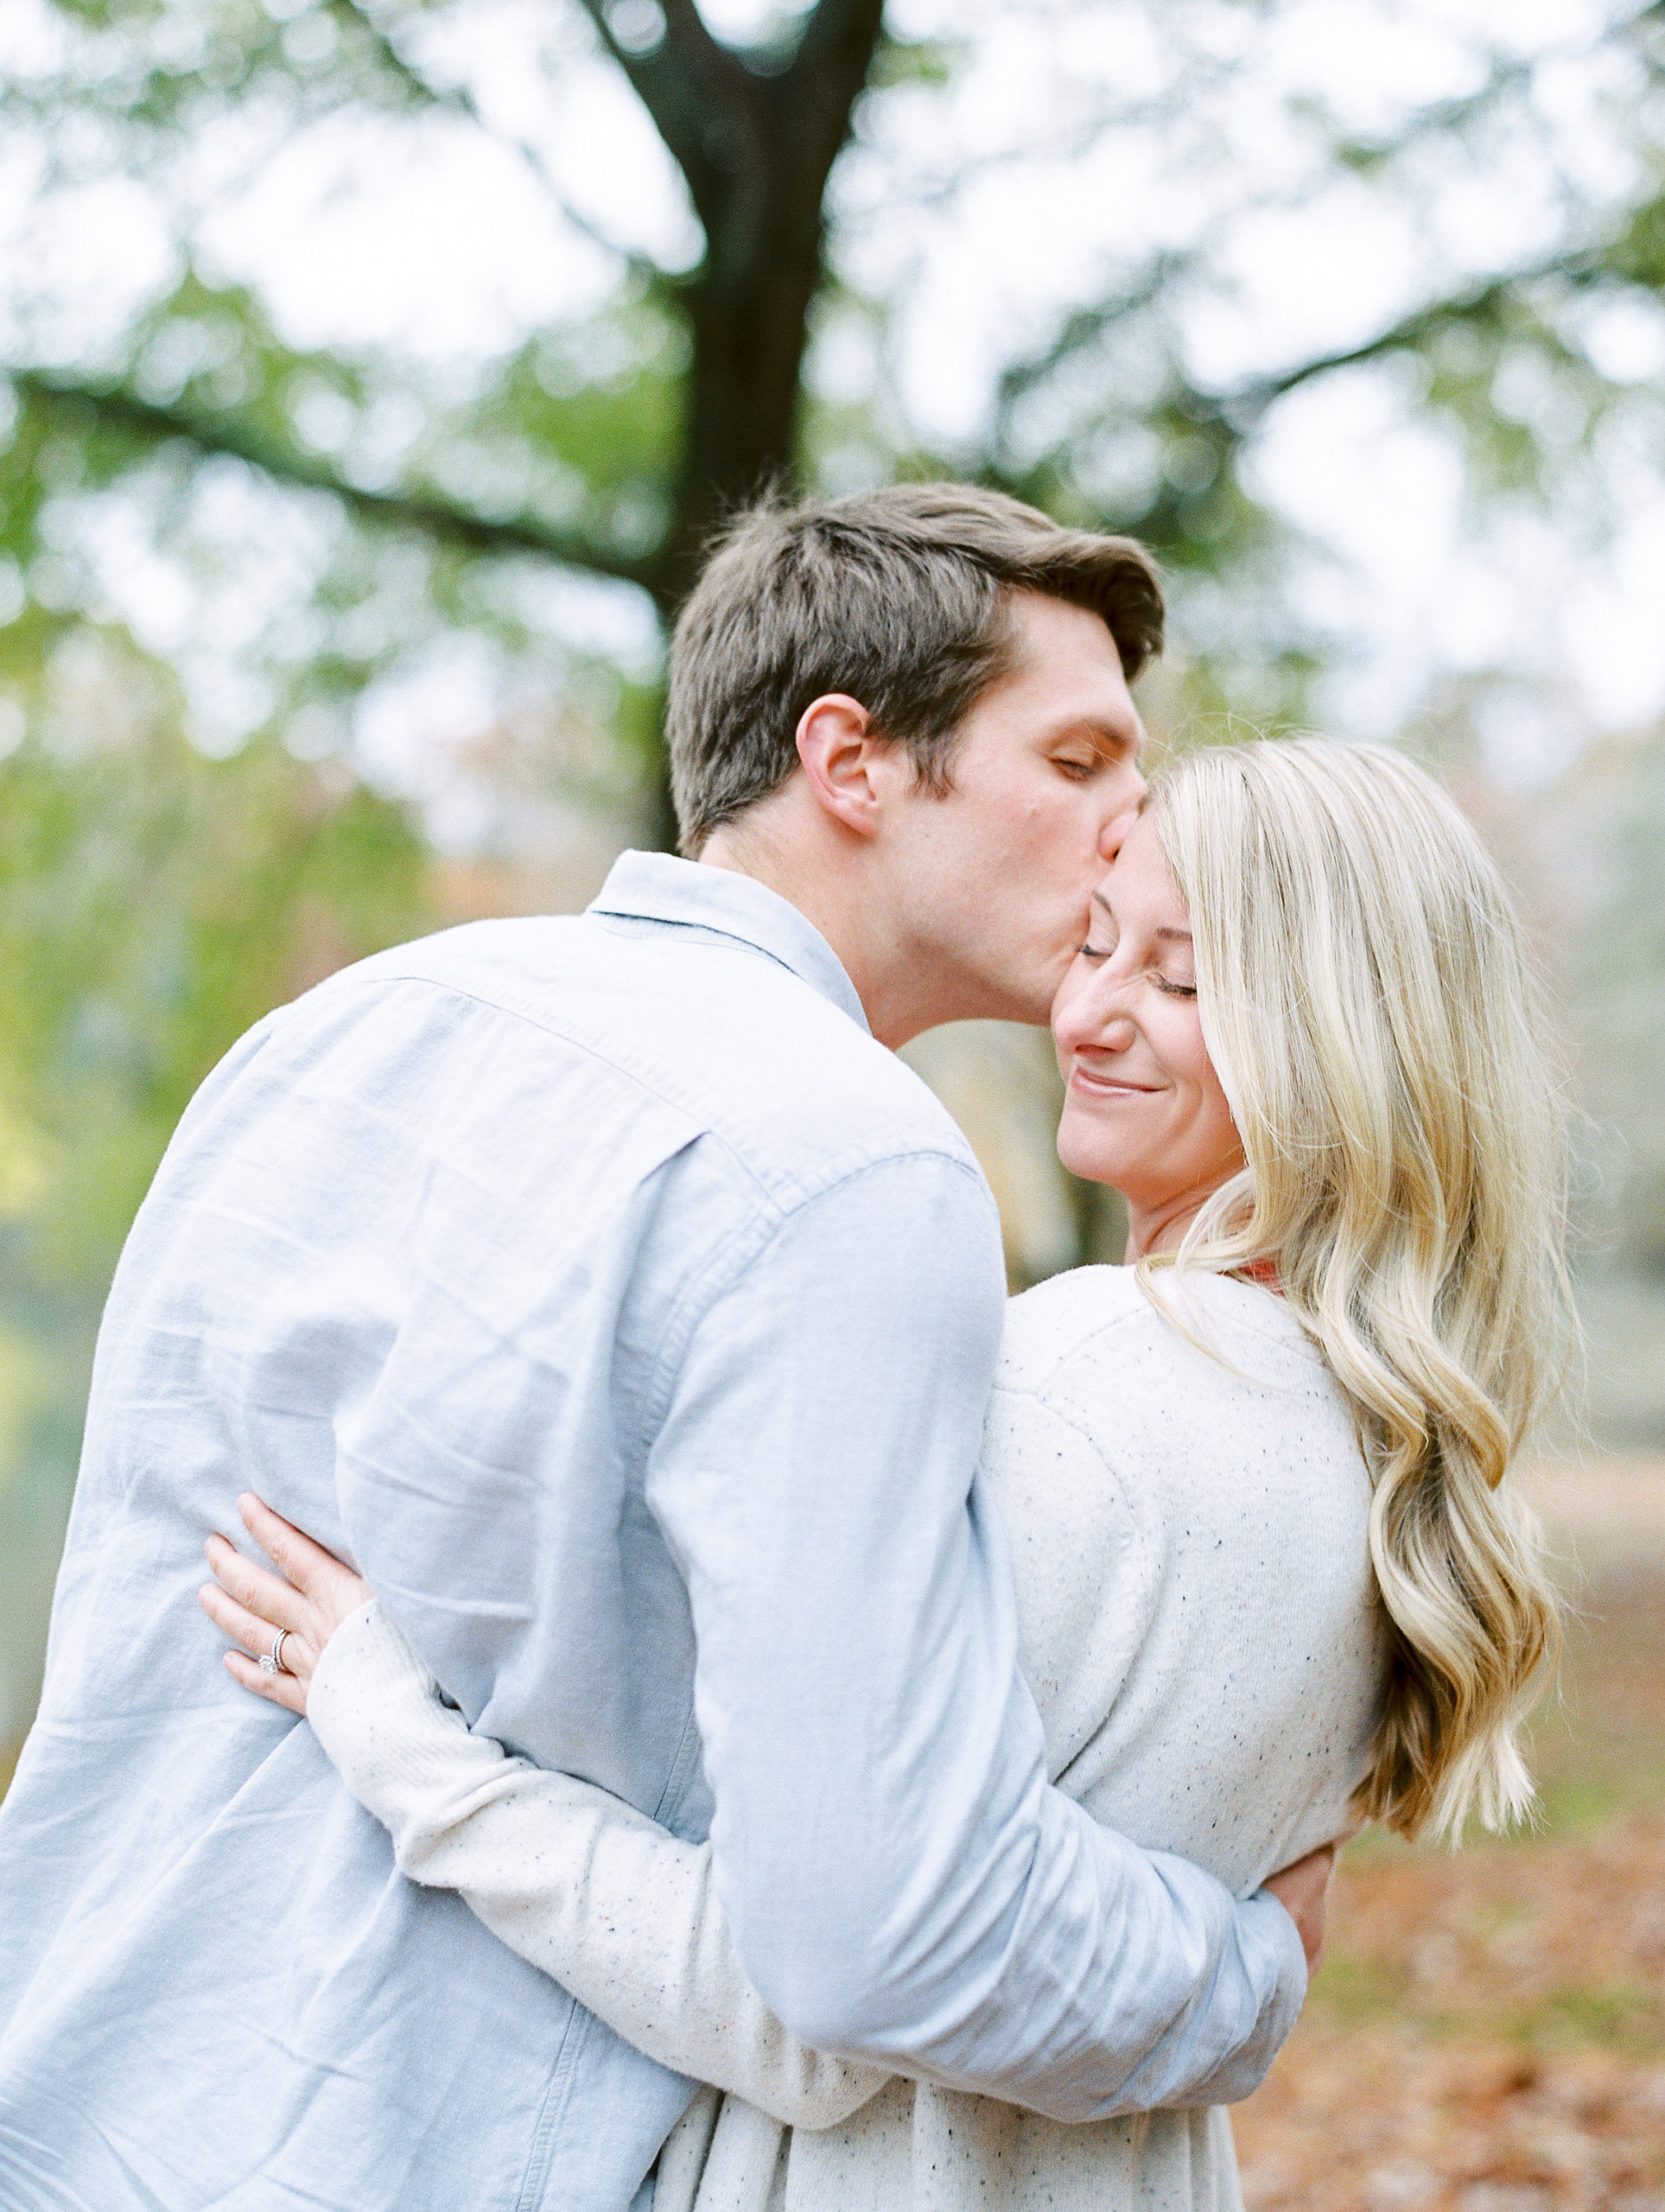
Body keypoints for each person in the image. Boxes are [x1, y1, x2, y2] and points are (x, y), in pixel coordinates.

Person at [0, 487, 1329, 2212]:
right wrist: (1234, 1971)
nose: (1123, 833)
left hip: (77, 2100)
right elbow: (880, 1931)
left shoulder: (323, 1033)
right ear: (849, 759)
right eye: (1078, 764)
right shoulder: (851, 1158)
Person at [200, 737, 1569, 2212]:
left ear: (1343, 1035)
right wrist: (1233, 1981)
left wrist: (399, 1736)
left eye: (1180, 981)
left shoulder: (1073, 1391)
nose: (1093, 1013)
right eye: (1097, 945)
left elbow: (804, 2003)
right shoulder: (1371, 1451)